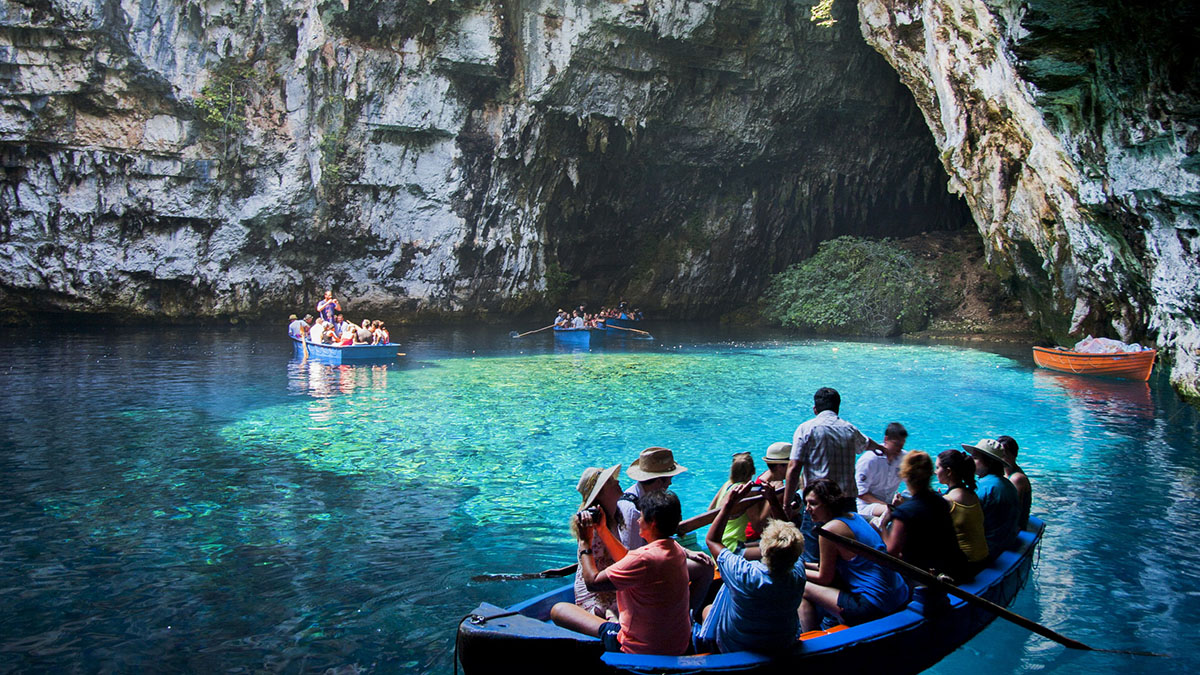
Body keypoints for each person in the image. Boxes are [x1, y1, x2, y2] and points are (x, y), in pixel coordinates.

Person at [550, 490, 692, 655]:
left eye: (641, 516)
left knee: (559, 610)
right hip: (678, 644)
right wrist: (602, 529)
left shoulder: (644, 559)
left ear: (652, 523)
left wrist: (585, 543)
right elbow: (626, 558)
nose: (638, 520)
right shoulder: (675, 549)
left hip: (642, 649)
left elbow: (592, 582)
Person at [695, 482, 805, 654]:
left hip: (737, 646)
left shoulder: (744, 573)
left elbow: (712, 540)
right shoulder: (798, 572)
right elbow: (788, 533)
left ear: (763, 548)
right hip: (782, 642)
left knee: (707, 610)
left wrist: (729, 505)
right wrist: (773, 502)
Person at [784, 387, 885, 562]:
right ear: (837, 408)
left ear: (815, 409)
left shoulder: (806, 428)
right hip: (846, 503)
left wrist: (787, 502)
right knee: (846, 555)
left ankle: (815, 585)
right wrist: (883, 449)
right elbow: (867, 444)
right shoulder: (849, 429)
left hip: (818, 504)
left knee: (812, 554)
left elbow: (794, 467)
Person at [799, 479, 908, 631]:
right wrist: (804, 565)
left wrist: (796, 570)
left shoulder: (828, 531)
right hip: (899, 594)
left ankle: (811, 639)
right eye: (807, 503)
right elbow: (832, 566)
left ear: (828, 502)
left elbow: (825, 578)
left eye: (813, 504)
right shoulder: (854, 516)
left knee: (801, 585)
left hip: (874, 605)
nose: (807, 509)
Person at [619, 447, 714, 616]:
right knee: (706, 569)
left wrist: (686, 552)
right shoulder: (632, 510)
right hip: (642, 570)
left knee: (703, 562)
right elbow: (629, 555)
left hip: (653, 560)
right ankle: (685, 616)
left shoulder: (646, 499)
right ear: (657, 481)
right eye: (668, 479)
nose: (670, 483)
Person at [878, 452, 968, 581]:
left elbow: (892, 551)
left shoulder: (904, 513)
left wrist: (883, 526)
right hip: (951, 568)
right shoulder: (941, 502)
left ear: (905, 476)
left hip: (923, 576)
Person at [568, 464, 625, 620]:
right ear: (600, 493)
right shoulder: (592, 523)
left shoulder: (613, 516)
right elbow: (593, 573)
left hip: (612, 583)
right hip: (597, 592)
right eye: (610, 481)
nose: (617, 481)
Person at [962, 438, 1020, 561]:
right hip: (1006, 544)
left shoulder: (983, 488)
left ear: (988, 462)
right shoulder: (1008, 485)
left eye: (975, 458)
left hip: (989, 550)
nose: (971, 461)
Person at [936, 449, 989, 576]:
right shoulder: (972, 494)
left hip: (965, 566)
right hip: (982, 559)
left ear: (948, 471)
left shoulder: (948, 500)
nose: (935, 471)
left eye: (937, 467)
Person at [855, 423, 907, 524]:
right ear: (886, 439)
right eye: (896, 445)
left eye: (902, 446)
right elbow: (860, 493)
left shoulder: (903, 457)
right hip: (867, 506)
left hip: (890, 502)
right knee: (895, 512)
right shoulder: (870, 460)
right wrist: (886, 505)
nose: (899, 449)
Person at [706, 452, 757, 552]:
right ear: (753, 471)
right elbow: (758, 525)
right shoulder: (746, 491)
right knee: (774, 551)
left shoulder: (727, 485)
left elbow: (710, 510)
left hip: (717, 544)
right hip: (733, 546)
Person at [996, 435, 1032, 529]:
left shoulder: (1017, 479)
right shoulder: (1003, 473)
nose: (1001, 458)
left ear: (1014, 454)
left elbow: (1014, 510)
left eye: (1004, 454)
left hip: (1016, 527)